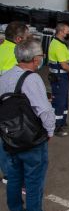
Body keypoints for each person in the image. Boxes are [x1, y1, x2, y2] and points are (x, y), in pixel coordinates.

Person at [0, 40, 63, 211]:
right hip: (31, 139)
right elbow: (44, 111)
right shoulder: (32, 79)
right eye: (41, 57)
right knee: (34, 181)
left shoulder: (4, 75)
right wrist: (50, 131)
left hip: (9, 137)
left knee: (14, 177)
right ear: (36, 59)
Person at [0, 22, 30, 185]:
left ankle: (7, 173)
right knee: (10, 140)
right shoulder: (14, 54)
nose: (28, 40)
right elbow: (15, 83)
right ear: (18, 39)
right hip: (8, 104)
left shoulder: (2, 48)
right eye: (26, 37)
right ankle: (11, 176)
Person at [48, 22, 69, 137]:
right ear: (61, 32)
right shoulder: (57, 45)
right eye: (68, 31)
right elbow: (64, 65)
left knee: (64, 102)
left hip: (63, 76)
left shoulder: (61, 43)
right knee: (59, 103)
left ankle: (62, 122)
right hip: (59, 78)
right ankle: (56, 127)